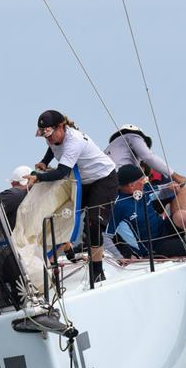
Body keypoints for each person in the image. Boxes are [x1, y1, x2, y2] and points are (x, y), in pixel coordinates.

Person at [24, 110, 118, 281]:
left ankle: (97, 273)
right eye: (45, 136)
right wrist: (45, 162)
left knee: (93, 224)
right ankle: (57, 260)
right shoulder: (55, 139)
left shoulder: (74, 142)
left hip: (104, 179)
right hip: (84, 183)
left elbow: (61, 172)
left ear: (61, 127)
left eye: (50, 135)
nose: (48, 139)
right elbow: (53, 149)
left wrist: (38, 177)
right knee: (61, 217)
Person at [105, 124, 186, 210]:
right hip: (128, 190)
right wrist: (176, 176)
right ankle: (181, 221)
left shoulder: (110, 149)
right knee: (179, 187)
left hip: (113, 193)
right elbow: (148, 157)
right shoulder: (132, 136)